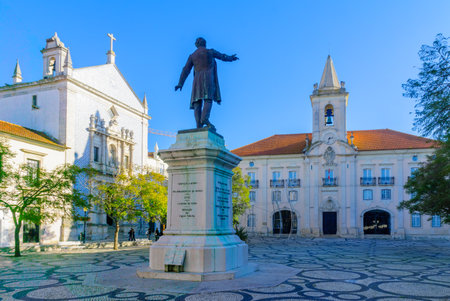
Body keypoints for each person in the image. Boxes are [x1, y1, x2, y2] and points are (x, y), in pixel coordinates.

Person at [175, 37, 238, 129]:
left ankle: (198, 125)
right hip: (208, 78)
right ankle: (204, 118)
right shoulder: (210, 52)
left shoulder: (192, 55)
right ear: (204, 43)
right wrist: (231, 58)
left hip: (197, 80)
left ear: (197, 45)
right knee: (208, 99)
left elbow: (186, 70)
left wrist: (180, 83)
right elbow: (222, 56)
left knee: (197, 102)